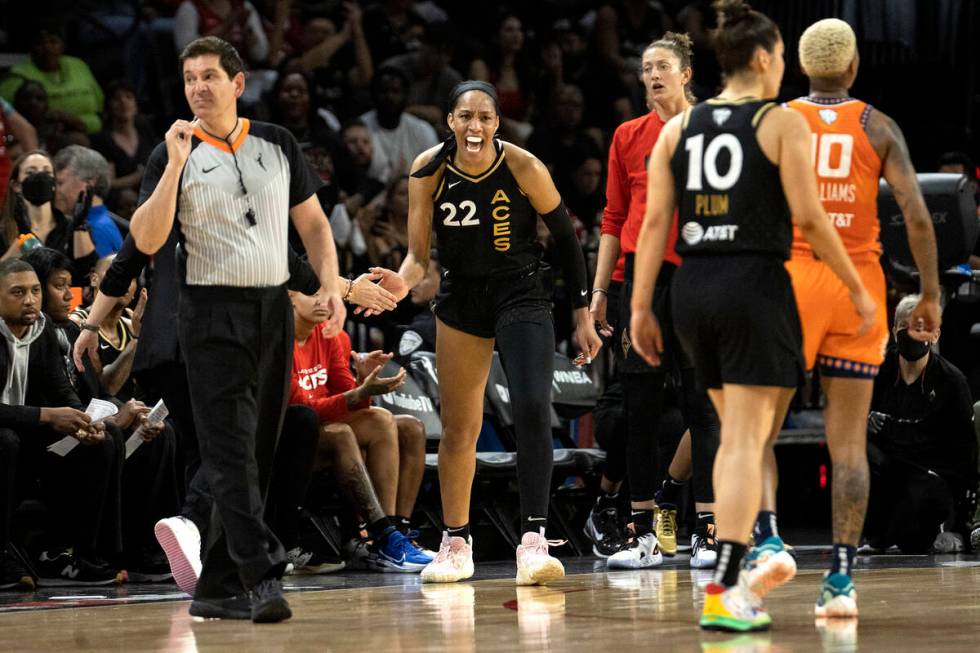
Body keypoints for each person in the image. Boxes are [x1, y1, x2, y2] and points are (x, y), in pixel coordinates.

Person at [629, 0, 878, 632]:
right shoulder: (779, 122)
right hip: (753, 284)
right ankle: (729, 586)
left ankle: (741, 570)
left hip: (692, 289)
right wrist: (857, 287)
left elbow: (655, 223)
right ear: (766, 59)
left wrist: (639, 307)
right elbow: (814, 221)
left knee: (731, 431)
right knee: (743, 439)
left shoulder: (678, 128)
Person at [119, 36, 346, 623]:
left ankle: (217, 587)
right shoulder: (172, 151)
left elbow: (314, 225)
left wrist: (329, 284)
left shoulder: (278, 142)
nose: (198, 86)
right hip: (208, 313)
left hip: (272, 310)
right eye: (190, 77)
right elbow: (145, 240)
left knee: (259, 452)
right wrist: (173, 165)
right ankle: (261, 573)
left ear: (237, 83)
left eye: (209, 76)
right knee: (228, 453)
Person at [746, 18, 942, 619]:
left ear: (801, 67)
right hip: (860, 285)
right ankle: (839, 582)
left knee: (755, 430)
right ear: (854, 67)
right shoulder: (877, 125)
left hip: (793, 281)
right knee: (849, 444)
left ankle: (770, 540)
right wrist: (930, 293)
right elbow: (916, 216)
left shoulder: (776, 121)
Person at [378, 80, 602, 585]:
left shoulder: (523, 165)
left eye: (485, 117)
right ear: (451, 122)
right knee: (460, 424)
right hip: (461, 297)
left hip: (521, 291)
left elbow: (566, 239)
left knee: (529, 406)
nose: (474, 126)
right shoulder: (427, 169)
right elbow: (418, 257)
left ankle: (534, 541)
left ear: (497, 123)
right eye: (465, 117)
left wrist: (583, 313)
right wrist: (402, 278)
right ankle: (456, 543)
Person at [588, 32, 721, 571]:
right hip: (636, 281)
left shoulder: (713, 129)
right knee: (638, 407)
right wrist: (598, 292)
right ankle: (640, 528)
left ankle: (708, 531)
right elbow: (614, 219)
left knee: (701, 406)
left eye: (663, 66)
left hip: (695, 278)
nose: (653, 76)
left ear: (686, 74)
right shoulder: (626, 135)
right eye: (646, 68)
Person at [283, 288, 430, 572]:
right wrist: (357, 394)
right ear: (290, 297)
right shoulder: (280, 340)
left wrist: (362, 383)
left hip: (327, 425)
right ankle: (383, 535)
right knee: (348, 431)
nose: (324, 302)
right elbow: (299, 410)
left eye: (327, 295)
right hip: (295, 441)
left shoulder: (334, 335)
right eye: (314, 294)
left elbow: (350, 402)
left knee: (407, 426)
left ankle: (397, 530)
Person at [0, 259, 123, 587]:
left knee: (102, 442)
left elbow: (61, 389)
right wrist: (48, 416)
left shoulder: (41, 330)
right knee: (6, 440)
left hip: (29, 437)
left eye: (35, 291)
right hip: (9, 438)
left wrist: (84, 422)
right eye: (18, 292)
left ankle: (79, 556)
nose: (30, 300)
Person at [865, 294, 977, 555]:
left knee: (914, 537)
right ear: (894, 331)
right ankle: (874, 533)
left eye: (920, 327)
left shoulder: (952, 381)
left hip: (931, 476)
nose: (911, 334)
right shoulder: (877, 373)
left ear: (935, 334)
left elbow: (966, 456)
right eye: (905, 326)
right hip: (892, 469)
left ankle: (937, 528)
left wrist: (960, 522)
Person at [0, 150, 98, 283]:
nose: (40, 177)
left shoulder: (72, 226)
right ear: (16, 185)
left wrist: (79, 227)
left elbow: (87, 276)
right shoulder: (3, 229)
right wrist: (17, 248)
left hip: (69, 301)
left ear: (54, 183)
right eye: (31, 172)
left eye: (47, 172)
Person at [0, 25, 105, 134]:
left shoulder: (78, 65)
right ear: (31, 48)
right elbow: (8, 117)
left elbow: (100, 108)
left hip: (93, 133)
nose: (48, 48)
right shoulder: (17, 75)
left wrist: (79, 122)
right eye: (40, 43)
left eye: (53, 42)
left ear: (63, 45)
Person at [360, 66, 439, 179]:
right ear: (374, 95)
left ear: (406, 95)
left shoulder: (422, 130)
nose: (389, 97)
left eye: (395, 91)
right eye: (383, 91)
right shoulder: (360, 128)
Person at [52, 146, 125, 257]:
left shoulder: (95, 229)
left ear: (90, 183)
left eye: (60, 183)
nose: (55, 190)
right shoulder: (99, 223)